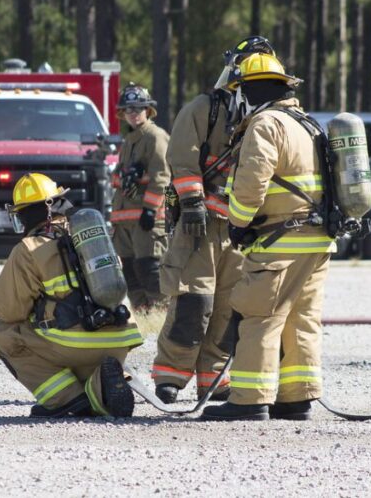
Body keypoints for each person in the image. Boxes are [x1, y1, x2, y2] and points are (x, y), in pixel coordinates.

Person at [200, 52, 334, 421]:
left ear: (250, 90)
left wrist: (238, 223)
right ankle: (296, 397)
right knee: (301, 319)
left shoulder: (266, 123)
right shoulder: (306, 122)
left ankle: (249, 399)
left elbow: (251, 182)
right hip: (316, 238)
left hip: (280, 239)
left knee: (260, 314)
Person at [152, 36, 275, 404]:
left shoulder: (266, 119)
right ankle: (171, 374)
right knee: (194, 302)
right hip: (200, 227)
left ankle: (213, 379)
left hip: (240, 228)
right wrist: (190, 203)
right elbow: (182, 156)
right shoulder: (205, 108)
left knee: (229, 306)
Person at [0, 173, 142, 418]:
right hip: (120, 340)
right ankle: (103, 387)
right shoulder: (93, 237)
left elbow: (9, 311)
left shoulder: (28, 249)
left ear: (26, 214)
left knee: (1, 331)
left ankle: (64, 399)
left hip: (73, 345)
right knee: (86, 351)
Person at [110, 83, 170, 311]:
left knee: (149, 269)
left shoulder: (155, 137)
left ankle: (162, 313)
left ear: (148, 110)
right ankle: (143, 313)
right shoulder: (130, 140)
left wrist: (150, 210)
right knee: (130, 271)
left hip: (146, 221)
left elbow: (161, 177)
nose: (133, 113)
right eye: (129, 109)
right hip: (124, 221)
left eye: (138, 108)